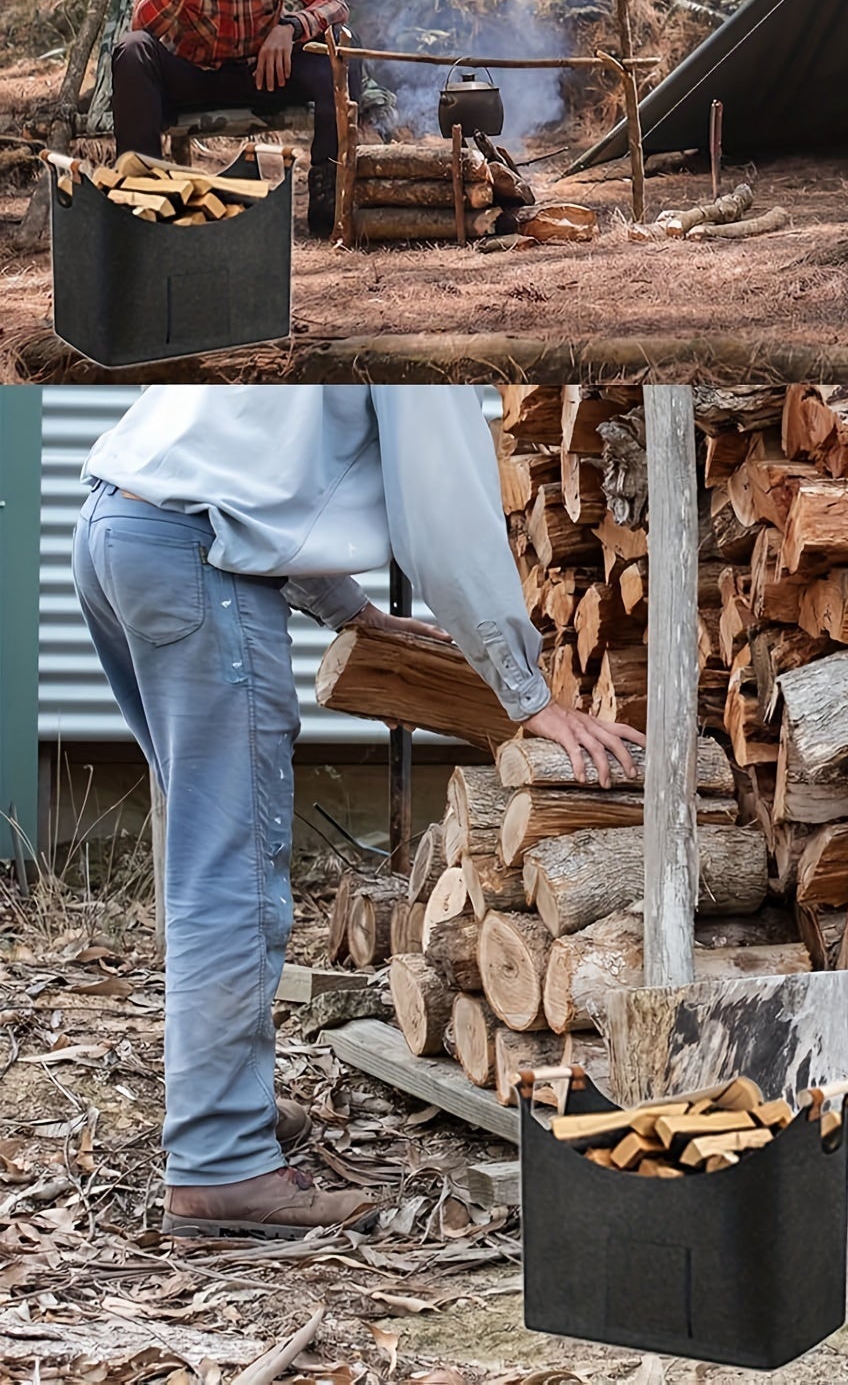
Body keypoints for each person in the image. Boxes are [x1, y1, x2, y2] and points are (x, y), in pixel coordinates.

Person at [72, 386, 644, 1239]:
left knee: (205, 855)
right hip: (192, 560)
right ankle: (221, 1166)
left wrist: (353, 611)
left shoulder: (323, 318)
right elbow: (445, 525)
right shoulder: (427, 346)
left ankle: (223, 1110)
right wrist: (527, 694)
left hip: (116, 529)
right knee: (231, 871)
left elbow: (254, 478)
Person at [111, 0, 352, 235]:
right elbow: (142, 24)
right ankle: (144, 200)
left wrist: (290, 27)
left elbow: (333, 4)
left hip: (263, 75)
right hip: (192, 76)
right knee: (133, 51)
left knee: (341, 47)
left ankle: (329, 195)